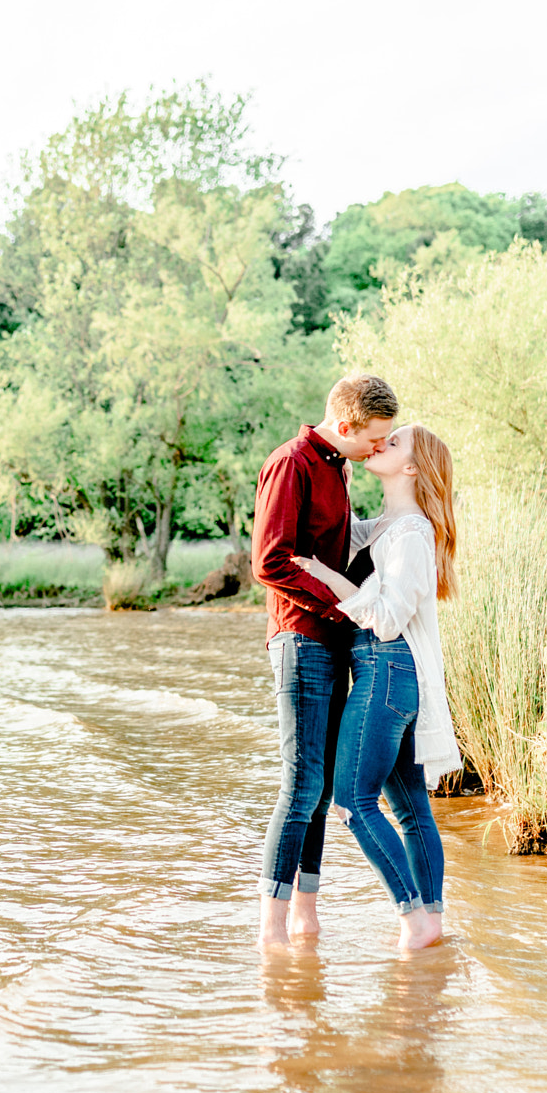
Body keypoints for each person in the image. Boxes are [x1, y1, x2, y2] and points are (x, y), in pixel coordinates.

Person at [294, 423, 462, 951]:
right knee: (411, 811)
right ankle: (429, 922)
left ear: (411, 468)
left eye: (393, 443)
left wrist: (328, 579)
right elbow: (347, 534)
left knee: (352, 801)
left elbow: (387, 619)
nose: (379, 445)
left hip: (386, 669)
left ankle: (413, 917)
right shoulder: (388, 526)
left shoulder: (412, 532)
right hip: (387, 673)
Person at [249, 374, 398, 950]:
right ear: (345, 426)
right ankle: (270, 930)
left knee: (319, 788)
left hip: (331, 639)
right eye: (374, 439)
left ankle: (306, 917)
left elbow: (337, 553)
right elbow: (271, 562)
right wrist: (342, 611)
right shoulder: (292, 463)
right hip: (301, 639)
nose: (378, 449)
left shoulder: (339, 466)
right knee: (301, 783)